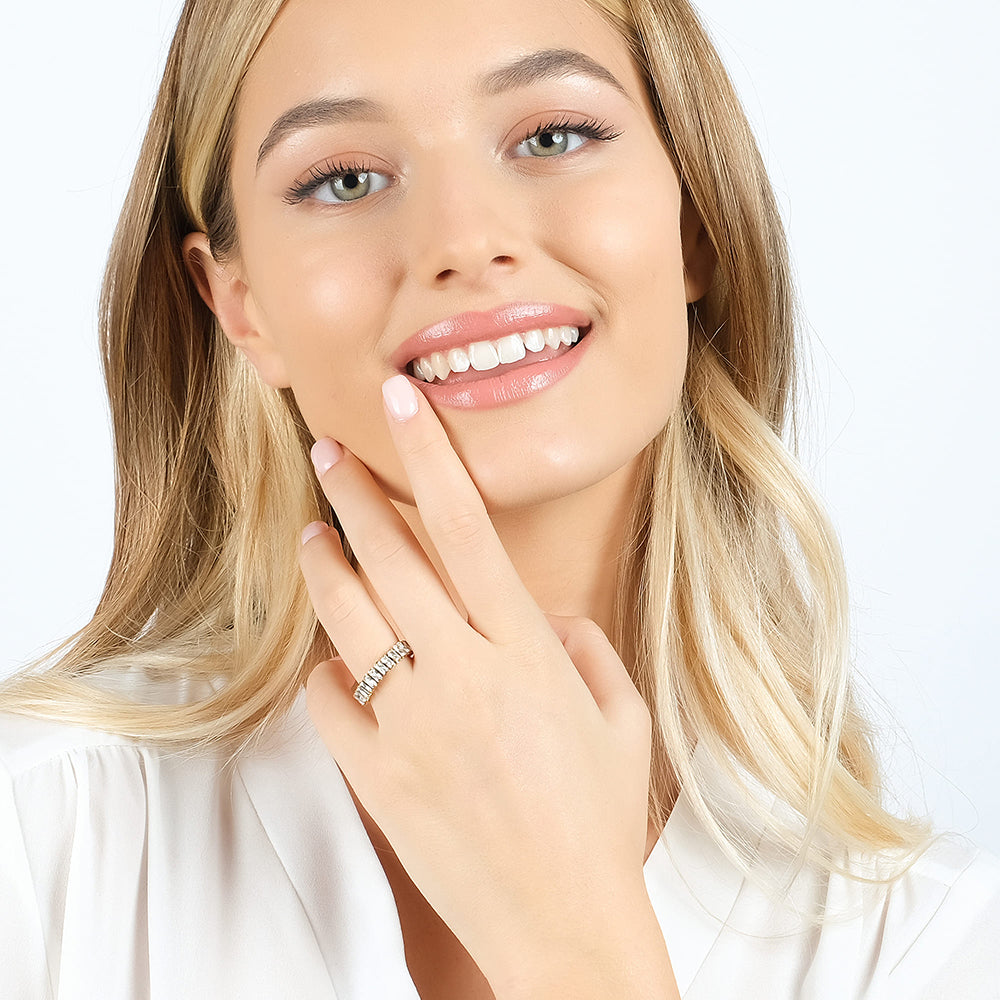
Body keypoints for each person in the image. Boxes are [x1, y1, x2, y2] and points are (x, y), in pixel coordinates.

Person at [1, 0, 997, 996]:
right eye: (345, 179)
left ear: (692, 219)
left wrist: (572, 941)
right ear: (238, 304)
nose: (466, 241)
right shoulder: (40, 834)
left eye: (553, 135)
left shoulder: (936, 951)